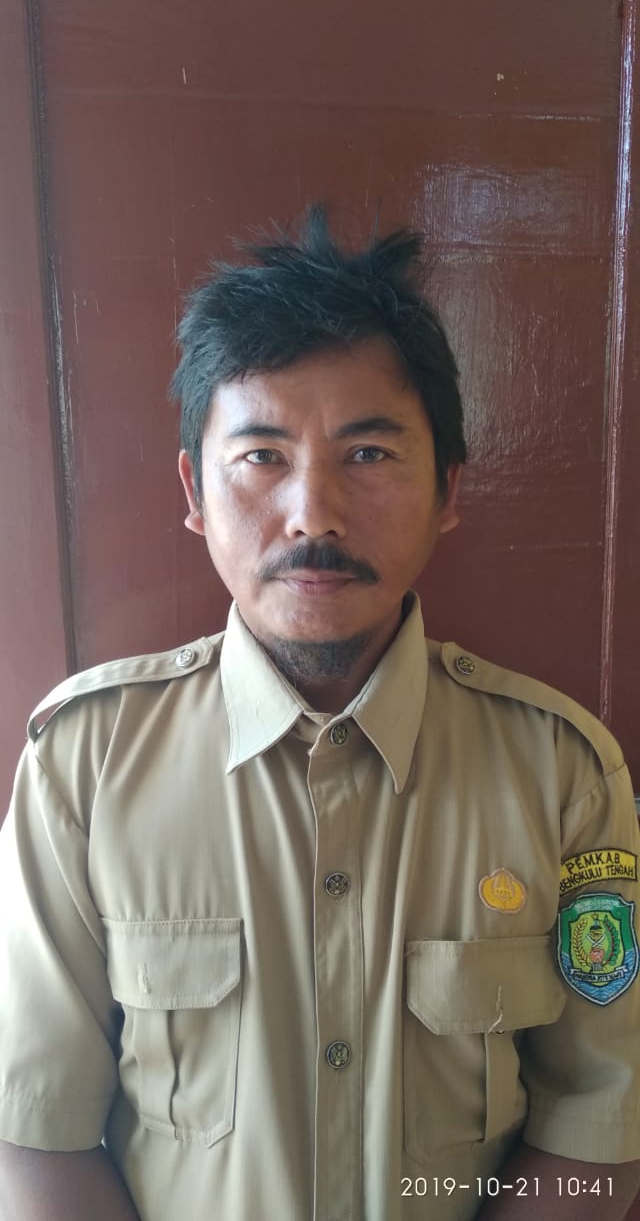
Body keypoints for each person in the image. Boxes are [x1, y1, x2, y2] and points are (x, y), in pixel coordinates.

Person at [0, 206, 639, 1221]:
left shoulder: (562, 771)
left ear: (448, 489)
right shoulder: (84, 765)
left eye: (369, 454)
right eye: (261, 456)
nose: (313, 513)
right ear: (194, 490)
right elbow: (36, 1133)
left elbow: (598, 1126)